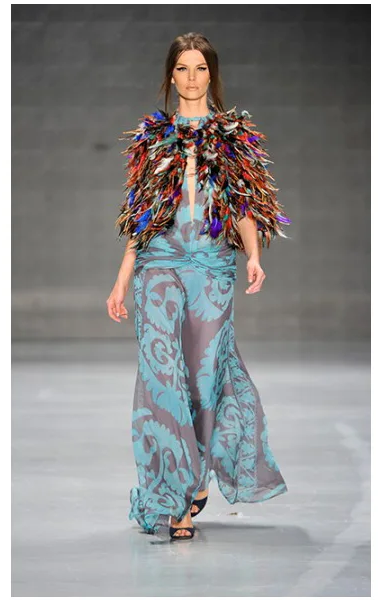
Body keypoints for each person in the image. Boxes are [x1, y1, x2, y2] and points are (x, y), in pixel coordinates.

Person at [107, 32, 291, 541]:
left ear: (212, 74)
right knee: (162, 376)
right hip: (159, 264)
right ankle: (175, 498)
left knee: (203, 379)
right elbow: (141, 215)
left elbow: (243, 203)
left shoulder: (232, 136)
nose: (192, 77)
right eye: (183, 68)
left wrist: (254, 256)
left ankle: (198, 470)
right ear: (171, 75)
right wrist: (122, 279)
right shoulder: (152, 138)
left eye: (201, 68)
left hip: (211, 267)